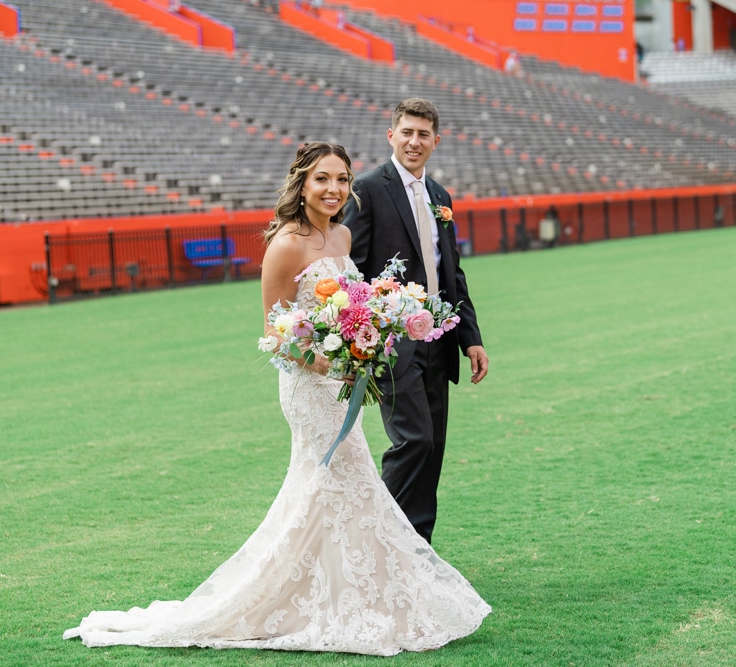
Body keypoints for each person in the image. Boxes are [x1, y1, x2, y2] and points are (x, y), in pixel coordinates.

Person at [63, 142, 490, 655]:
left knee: (334, 490)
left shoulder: (344, 234)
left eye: (341, 179)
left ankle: (342, 591)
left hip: (342, 382)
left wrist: (363, 342)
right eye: (322, 179)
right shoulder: (286, 244)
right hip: (309, 387)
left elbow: (349, 307)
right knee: (342, 481)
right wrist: (331, 360)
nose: (333, 189)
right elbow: (275, 333)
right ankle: (321, 600)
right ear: (302, 184)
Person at [344, 98, 488, 544]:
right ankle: (377, 541)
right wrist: (363, 335)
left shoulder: (440, 197)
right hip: (393, 344)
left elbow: (452, 274)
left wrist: (471, 339)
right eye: (406, 131)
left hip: (440, 342)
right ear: (391, 135)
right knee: (414, 443)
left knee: (434, 451)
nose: (414, 141)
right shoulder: (367, 190)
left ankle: (418, 551)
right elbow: (350, 269)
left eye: (423, 134)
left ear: (436, 142)